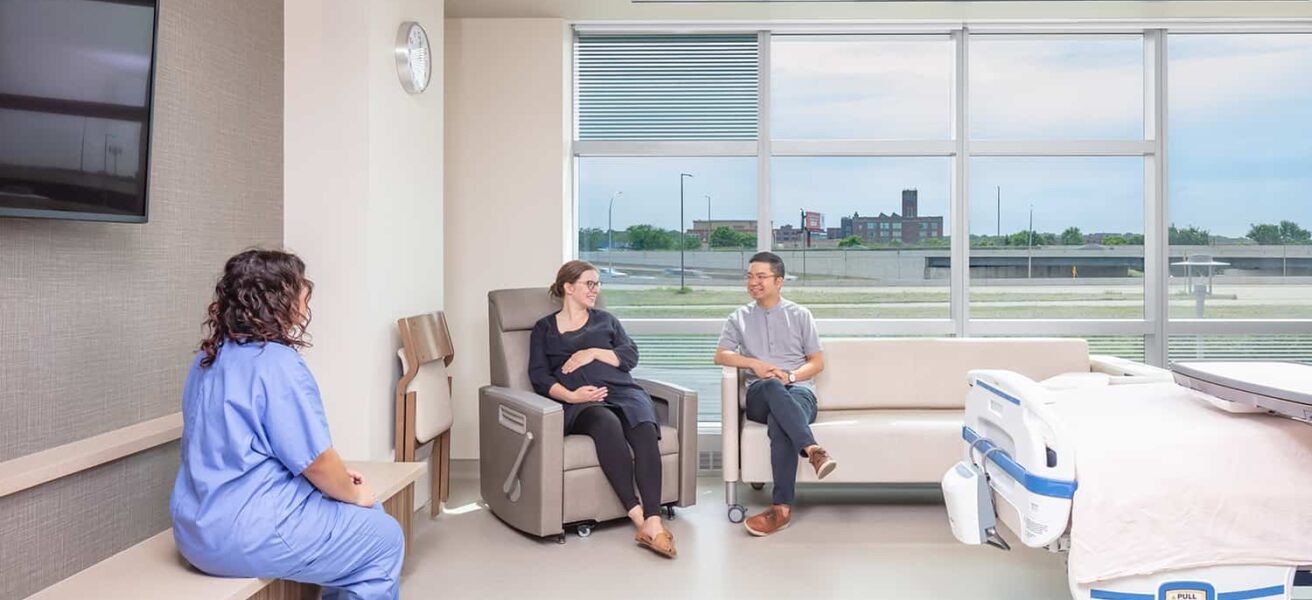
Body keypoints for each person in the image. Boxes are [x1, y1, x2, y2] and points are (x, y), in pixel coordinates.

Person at [170, 250, 404, 599]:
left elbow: (248, 452)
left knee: (369, 509)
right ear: (278, 298)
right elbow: (317, 462)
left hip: (196, 529)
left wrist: (343, 483)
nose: (306, 295)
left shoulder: (208, 358)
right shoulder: (277, 364)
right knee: (384, 539)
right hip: (249, 534)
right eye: (301, 288)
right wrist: (349, 489)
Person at [528, 260, 676, 558]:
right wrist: (572, 396)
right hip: (581, 402)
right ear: (568, 288)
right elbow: (539, 375)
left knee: (644, 427)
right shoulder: (545, 329)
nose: (595, 290)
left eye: (597, 284)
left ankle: (654, 519)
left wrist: (592, 352)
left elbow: (630, 355)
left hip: (624, 392)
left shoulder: (605, 320)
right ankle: (638, 518)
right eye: (589, 284)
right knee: (606, 423)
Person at [714, 251, 837, 537]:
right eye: (749, 276)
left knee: (779, 422)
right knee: (770, 385)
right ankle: (813, 450)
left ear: (778, 281)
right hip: (760, 393)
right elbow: (720, 355)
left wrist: (791, 376)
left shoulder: (800, 315)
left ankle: (780, 510)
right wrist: (754, 364)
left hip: (799, 393)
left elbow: (817, 363)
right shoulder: (739, 318)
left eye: (761, 276)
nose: (753, 282)